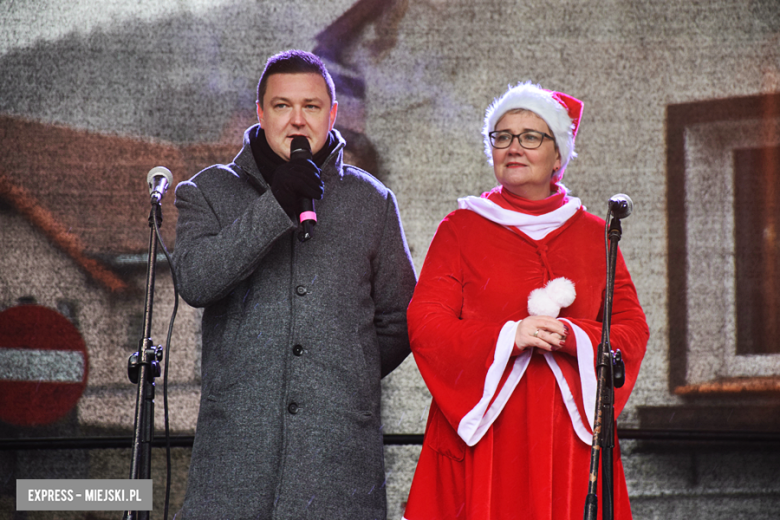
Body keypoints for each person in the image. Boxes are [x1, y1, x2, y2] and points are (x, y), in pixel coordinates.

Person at [172, 50, 416, 519]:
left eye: (312, 106)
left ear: (333, 114)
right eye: (283, 106)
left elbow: (399, 318)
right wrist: (275, 206)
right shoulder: (208, 192)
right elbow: (198, 282)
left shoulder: (372, 200)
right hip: (237, 457)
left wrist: (342, 377)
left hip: (337, 458)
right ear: (260, 113)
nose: (298, 120)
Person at [402, 82, 649, 520]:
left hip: (566, 437)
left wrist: (574, 335)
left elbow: (630, 328)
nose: (514, 147)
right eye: (502, 136)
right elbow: (426, 323)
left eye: (531, 136)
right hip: (486, 431)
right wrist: (509, 335)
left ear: (559, 156)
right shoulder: (461, 228)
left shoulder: (597, 234)